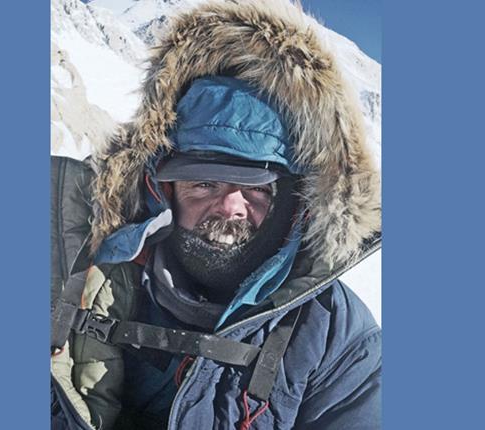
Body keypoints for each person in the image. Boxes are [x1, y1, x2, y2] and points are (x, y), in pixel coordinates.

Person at [51, 1, 381, 429]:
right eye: (205, 183)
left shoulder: (334, 340)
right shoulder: (72, 271)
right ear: (161, 189)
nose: (230, 207)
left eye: (256, 189)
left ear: (296, 204)